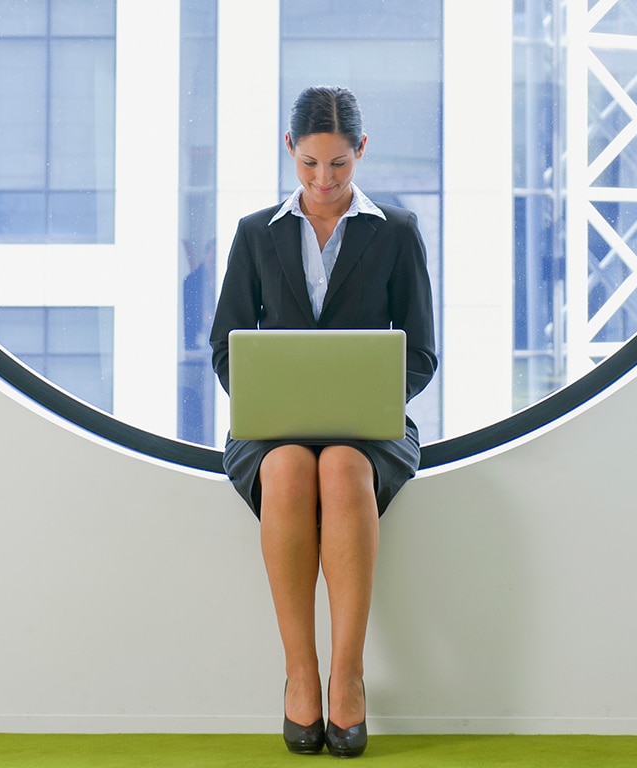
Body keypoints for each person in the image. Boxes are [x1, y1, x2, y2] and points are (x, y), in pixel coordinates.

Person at [209, 85, 437, 757]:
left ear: (360, 151)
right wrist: (265, 395)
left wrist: (368, 396)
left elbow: (420, 352)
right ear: (290, 151)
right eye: (310, 164)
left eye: (338, 164)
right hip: (271, 428)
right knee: (285, 466)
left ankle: (348, 677)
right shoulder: (257, 233)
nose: (324, 180)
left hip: (370, 430)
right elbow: (225, 343)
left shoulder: (396, 232)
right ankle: (300, 675)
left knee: (339, 464)